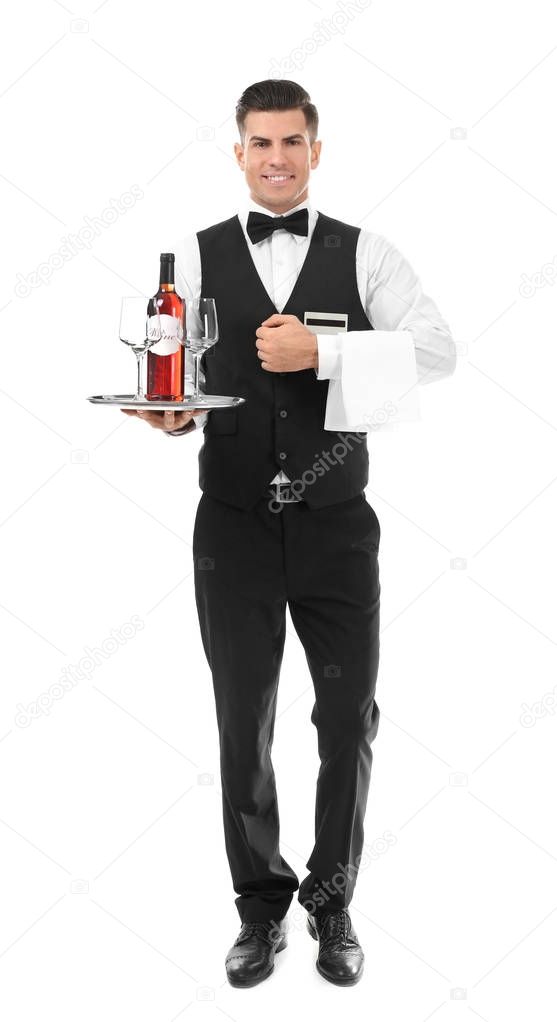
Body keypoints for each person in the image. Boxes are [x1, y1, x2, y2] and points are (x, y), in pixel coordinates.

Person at [122, 79, 456, 988]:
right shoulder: (192, 259)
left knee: (346, 719)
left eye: (292, 143)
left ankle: (332, 903)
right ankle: (258, 908)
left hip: (337, 528)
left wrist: (330, 352)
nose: (276, 157)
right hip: (228, 528)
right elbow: (180, 372)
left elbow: (439, 350)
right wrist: (172, 419)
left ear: (317, 151)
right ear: (238, 153)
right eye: (260, 143)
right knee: (243, 722)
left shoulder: (367, 253)